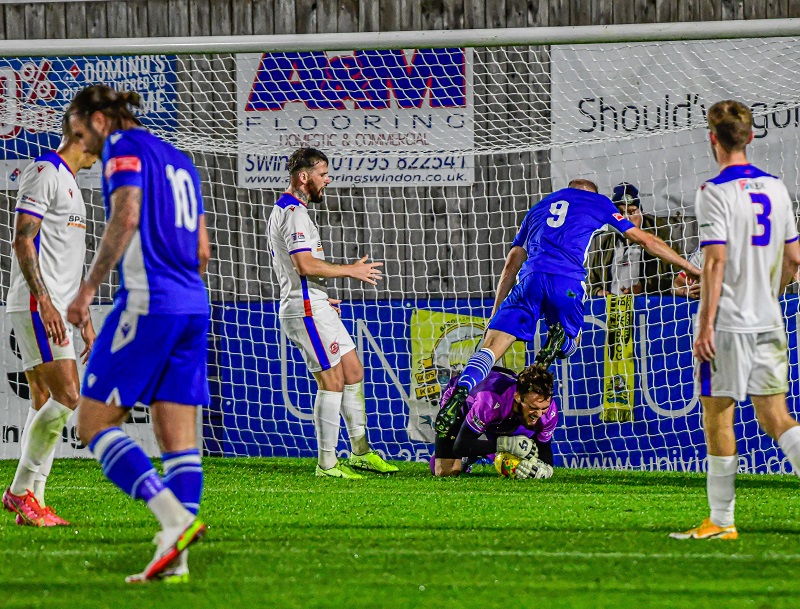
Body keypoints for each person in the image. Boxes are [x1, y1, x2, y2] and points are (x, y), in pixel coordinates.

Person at [64, 84, 209, 582]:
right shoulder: (180, 159)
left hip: (150, 304)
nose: (82, 145)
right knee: (179, 442)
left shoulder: (124, 149)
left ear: (99, 120)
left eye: (81, 134)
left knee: (93, 423)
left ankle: (172, 520)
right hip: (194, 304)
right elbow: (203, 250)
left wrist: (86, 291)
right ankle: (176, 560)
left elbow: (126, 214)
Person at [435, 179, 701, 440]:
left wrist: (496, 311)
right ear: (593, 193)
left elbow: (512, 262)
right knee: (573, 337)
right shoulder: (599, 202)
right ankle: (561, 343)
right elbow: (644, 239)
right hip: (568, 283)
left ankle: (461, 390)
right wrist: (690, 268)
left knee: (490, 348)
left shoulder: (539, 206)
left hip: (529, 280)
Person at [671, 100, 800, 541]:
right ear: (750, 136)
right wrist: (771, 294)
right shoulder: (778, 188)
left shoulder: (714, 192)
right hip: (769, 319)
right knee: (777, 417)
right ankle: (720, 521)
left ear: (713, 139)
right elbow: (795, 258)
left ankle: (722, 521)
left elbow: (714, 262)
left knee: (719, 418)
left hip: (727, 325)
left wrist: (705, 325)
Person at [267, 147, 398, 478]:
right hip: (305, 307)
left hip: (314, 302)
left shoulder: (290, 211)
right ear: (304, 176)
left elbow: (299, 269)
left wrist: (320, 295)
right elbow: (304, 263)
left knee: (352, 370)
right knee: (332, 380)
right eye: (323, 174)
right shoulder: (294, 213)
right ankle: (327, 463)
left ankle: (361, 452)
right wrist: (351, 270)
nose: (327, 180)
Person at [2, 115, 98, 527]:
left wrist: (84, 315)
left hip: (55, 304)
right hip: (39, 305)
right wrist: (45, 301)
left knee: (44, 401)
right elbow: (23, 238)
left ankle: (33, 502)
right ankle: (21, 491)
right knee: (69, 396)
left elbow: (65, 261)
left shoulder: (73, 185)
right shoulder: (45, 171)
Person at [432, 364, 556, 480]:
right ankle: (468, 457)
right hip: (460, 404)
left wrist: (546, 471)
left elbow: (544, 447)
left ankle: (483, 450)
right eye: (533, 408)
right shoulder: (488, 401)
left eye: (543, 408)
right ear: (518, 397)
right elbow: (461, 446)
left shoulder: (548, 411)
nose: (539, 414)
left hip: (505, 414)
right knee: (446, 472)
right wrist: (507, 444)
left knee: (525, 449)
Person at [587, 182, 669, 296]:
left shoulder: (661, 238)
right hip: (613, 309)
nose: (626, 217)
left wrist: (644, 287)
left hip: (648, 308)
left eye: (631, 211)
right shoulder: (606, 243)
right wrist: (598, 292)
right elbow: (591, 281)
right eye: (620, 213)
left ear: (641, 212)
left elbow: (675, 278)